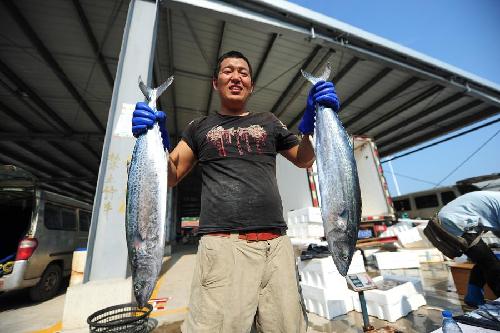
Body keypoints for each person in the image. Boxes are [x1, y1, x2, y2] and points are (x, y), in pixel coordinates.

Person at [131, 50, 339, 332]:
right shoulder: (198, 127)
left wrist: (312, 125)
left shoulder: (270, 121)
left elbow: (304, 159)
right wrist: (156, 143)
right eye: (228, 71)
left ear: (251, 86)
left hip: (275, 246)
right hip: (222, 248)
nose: (236, 77)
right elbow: (171, 176)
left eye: (243, 72)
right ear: (215, 83)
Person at [424, 190, 500, 306]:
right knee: (492, 266)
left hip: (450, 221)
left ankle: (473, 296)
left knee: (483, 261)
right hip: (456, 223)